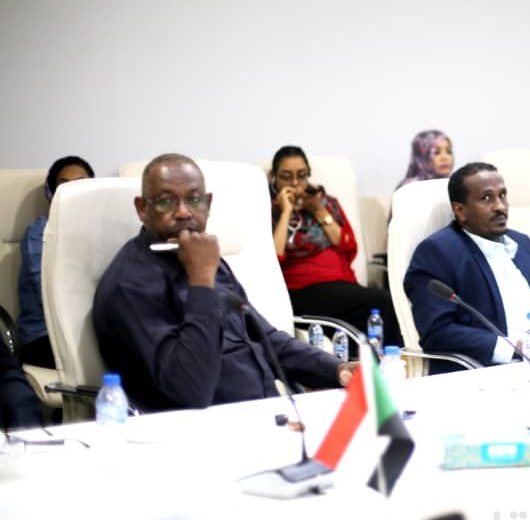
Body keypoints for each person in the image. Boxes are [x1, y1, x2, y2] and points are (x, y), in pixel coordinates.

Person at [93, 154, 357, 413]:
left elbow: (264, 338)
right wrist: (200, 281)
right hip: (204, 428)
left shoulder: (203, 258)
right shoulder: (130, 285)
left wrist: (336, 369)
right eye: (166, 202)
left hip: (267, 410)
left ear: (208, 204)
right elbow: (190, 391)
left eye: (194, 199)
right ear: (142, 209)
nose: (183, 212)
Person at [404, 162, 530, 373]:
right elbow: (438, 332)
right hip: (496, 369)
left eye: (502, 195)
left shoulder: (521, 243)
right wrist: (520, 348)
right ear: (460, 210)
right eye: (486, 198)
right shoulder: (438, 252)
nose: (500, 206)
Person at [270, 146, 401, 352]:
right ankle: (391, 359)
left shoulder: (326, 203)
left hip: (340, 287)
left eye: (301, 176)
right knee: (381, 300)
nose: (295, 183)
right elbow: (273, 257)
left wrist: (318, 210)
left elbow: (347, 245)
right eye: (286, 177)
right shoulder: (270, 209)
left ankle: (370, 362)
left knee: (376, 310)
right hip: (301, 289)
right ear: (274, 177)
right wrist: (286, 211)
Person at [17, 156, 95, 368]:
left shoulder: (100, 228)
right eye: (64, 186)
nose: (73, 192)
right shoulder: (39, 232)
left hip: (90, 332)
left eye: (80, 184)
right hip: (45, 335)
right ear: (51, 193)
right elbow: (50, 294)